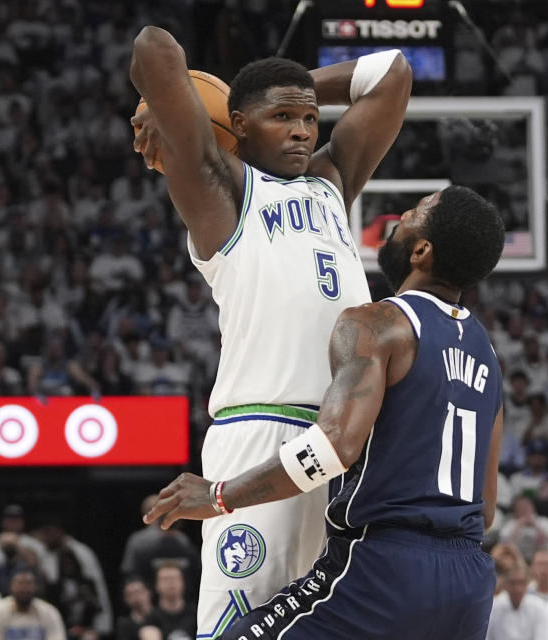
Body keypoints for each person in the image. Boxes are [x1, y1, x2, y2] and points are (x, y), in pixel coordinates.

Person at [129, 25, 412, 635]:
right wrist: (201, 116)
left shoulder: (331, 184)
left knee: (321, 626)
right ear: (237, 125)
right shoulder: (220, 189)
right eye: (282, 116)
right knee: (239, 626)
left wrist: (290, 86)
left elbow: (391, 72)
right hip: (260, 430)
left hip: (347, 435)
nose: (303, 130)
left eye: (310, 118)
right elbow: (154, 50)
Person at [143, 185, 505, 639]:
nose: (398, 220)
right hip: (468, 586)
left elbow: (333, 447)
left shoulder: (377, 323)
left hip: (385, 570)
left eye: (412, 214)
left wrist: (218, 496)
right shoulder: (487, 355)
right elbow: (486, 506)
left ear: (421, 251)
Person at [0, 567, 66, 640]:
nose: (24, 588)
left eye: (29, 583)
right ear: (11, 586)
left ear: (35, 586)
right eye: (20, 583)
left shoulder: (49, 612)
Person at [486, 563, 548, 640]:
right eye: (513, 583)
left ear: (527, 584)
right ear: (505, 584)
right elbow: (485, 636)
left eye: (521, 583)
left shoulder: (539, 607)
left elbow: (544, 636)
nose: (517, 588)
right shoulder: (493, 607)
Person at [138, 561, 195, 640]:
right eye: (165, 579)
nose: (170, 582)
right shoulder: (150, 619)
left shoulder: (197, 615)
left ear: (183, 583)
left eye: (175, 578)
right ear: (157, 585)